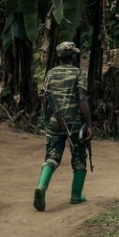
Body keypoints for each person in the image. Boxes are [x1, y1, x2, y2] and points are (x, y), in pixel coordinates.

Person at [34, 41, 93, 211]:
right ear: (73, 56)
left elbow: (44, 99)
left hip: (54, 121)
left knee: (51, 157)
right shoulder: (78, 73)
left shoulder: (51, 74)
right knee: (79, 157)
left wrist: (48, 120)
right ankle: (76, 196)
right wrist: (89, 123)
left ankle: (41, 187)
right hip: (74, 122)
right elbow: (82, 98)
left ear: (59, 57)